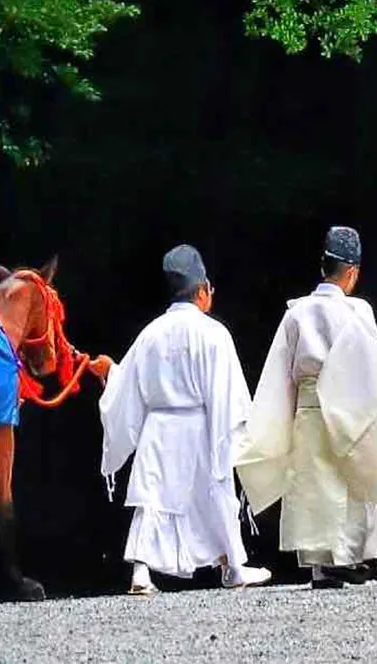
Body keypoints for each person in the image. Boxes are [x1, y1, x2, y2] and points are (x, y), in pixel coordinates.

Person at [235, 226, 377, 589]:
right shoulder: (359, 311)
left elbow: (279, 376)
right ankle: (352, 556)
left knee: (316, 483)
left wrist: (274, 426)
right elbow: (373, 370)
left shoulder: (297, 314)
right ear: (353, 272)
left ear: (323, 267)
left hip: (310, 409)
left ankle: (321, 565)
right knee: (353, 477)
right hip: (352, 406)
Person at [92, 244, 272, 594]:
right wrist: (230, 436)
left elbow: (128, 385)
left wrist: (111, 371)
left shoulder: (150, 333)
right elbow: (227, 393)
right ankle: (234, 566)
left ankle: (142, 574)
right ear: (202, 291)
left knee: (153, 499)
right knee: (215, 492)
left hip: (158, 428)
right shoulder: (213, 333)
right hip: (201, 426)